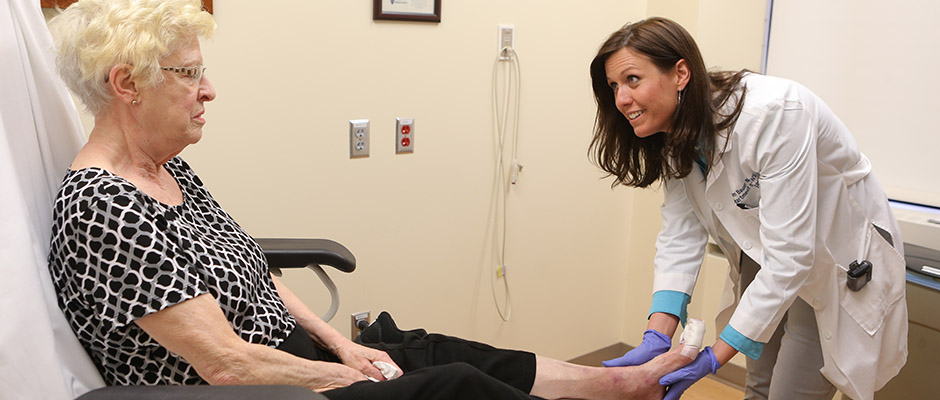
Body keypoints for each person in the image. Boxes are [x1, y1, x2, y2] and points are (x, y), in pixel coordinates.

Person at [45, 2, 695, 399]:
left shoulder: (168, 171)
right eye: (189, 73)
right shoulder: (106, 206)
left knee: (431, 350)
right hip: (265, 393)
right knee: (452, 388)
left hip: (293, 358)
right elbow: (227, 366)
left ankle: (617, 384)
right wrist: (343, 377)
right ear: (126, 83)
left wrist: (343, 346)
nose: (208, 89)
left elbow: (256, 273)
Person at [589, 17, 908, 400]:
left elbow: (791, 256)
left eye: (632, 80)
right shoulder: (675, 131)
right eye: (613, 86)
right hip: (762, 248)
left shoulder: (774, 113)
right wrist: (659, 333)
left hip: (832, 255)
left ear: (680, 73)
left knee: (791, 392)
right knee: (758, 386)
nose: (621, 98)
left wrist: (713, 359)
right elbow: (680, 233)